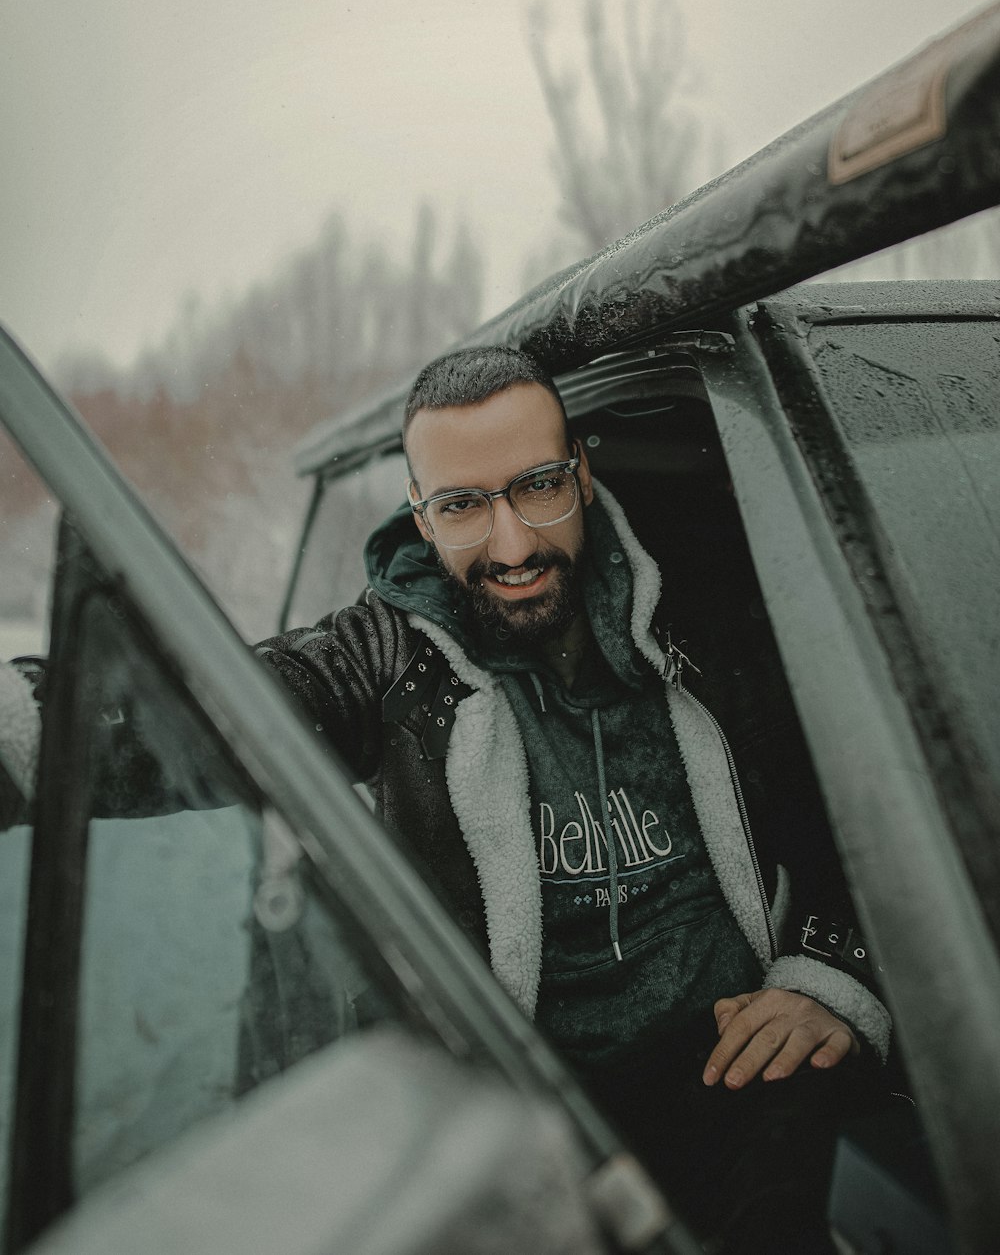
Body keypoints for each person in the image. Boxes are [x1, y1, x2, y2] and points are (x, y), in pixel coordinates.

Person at [1, 344, 892, 1250]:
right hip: (528, 1117)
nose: (511, 546)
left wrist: (831, 971)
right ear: (421, 518)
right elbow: (190, 704)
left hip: (736, 1083)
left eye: (537, 486)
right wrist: (23, 734)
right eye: (463, 506)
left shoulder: (705, 612)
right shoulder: (383, 657)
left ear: (582, 475)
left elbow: (871, 782)